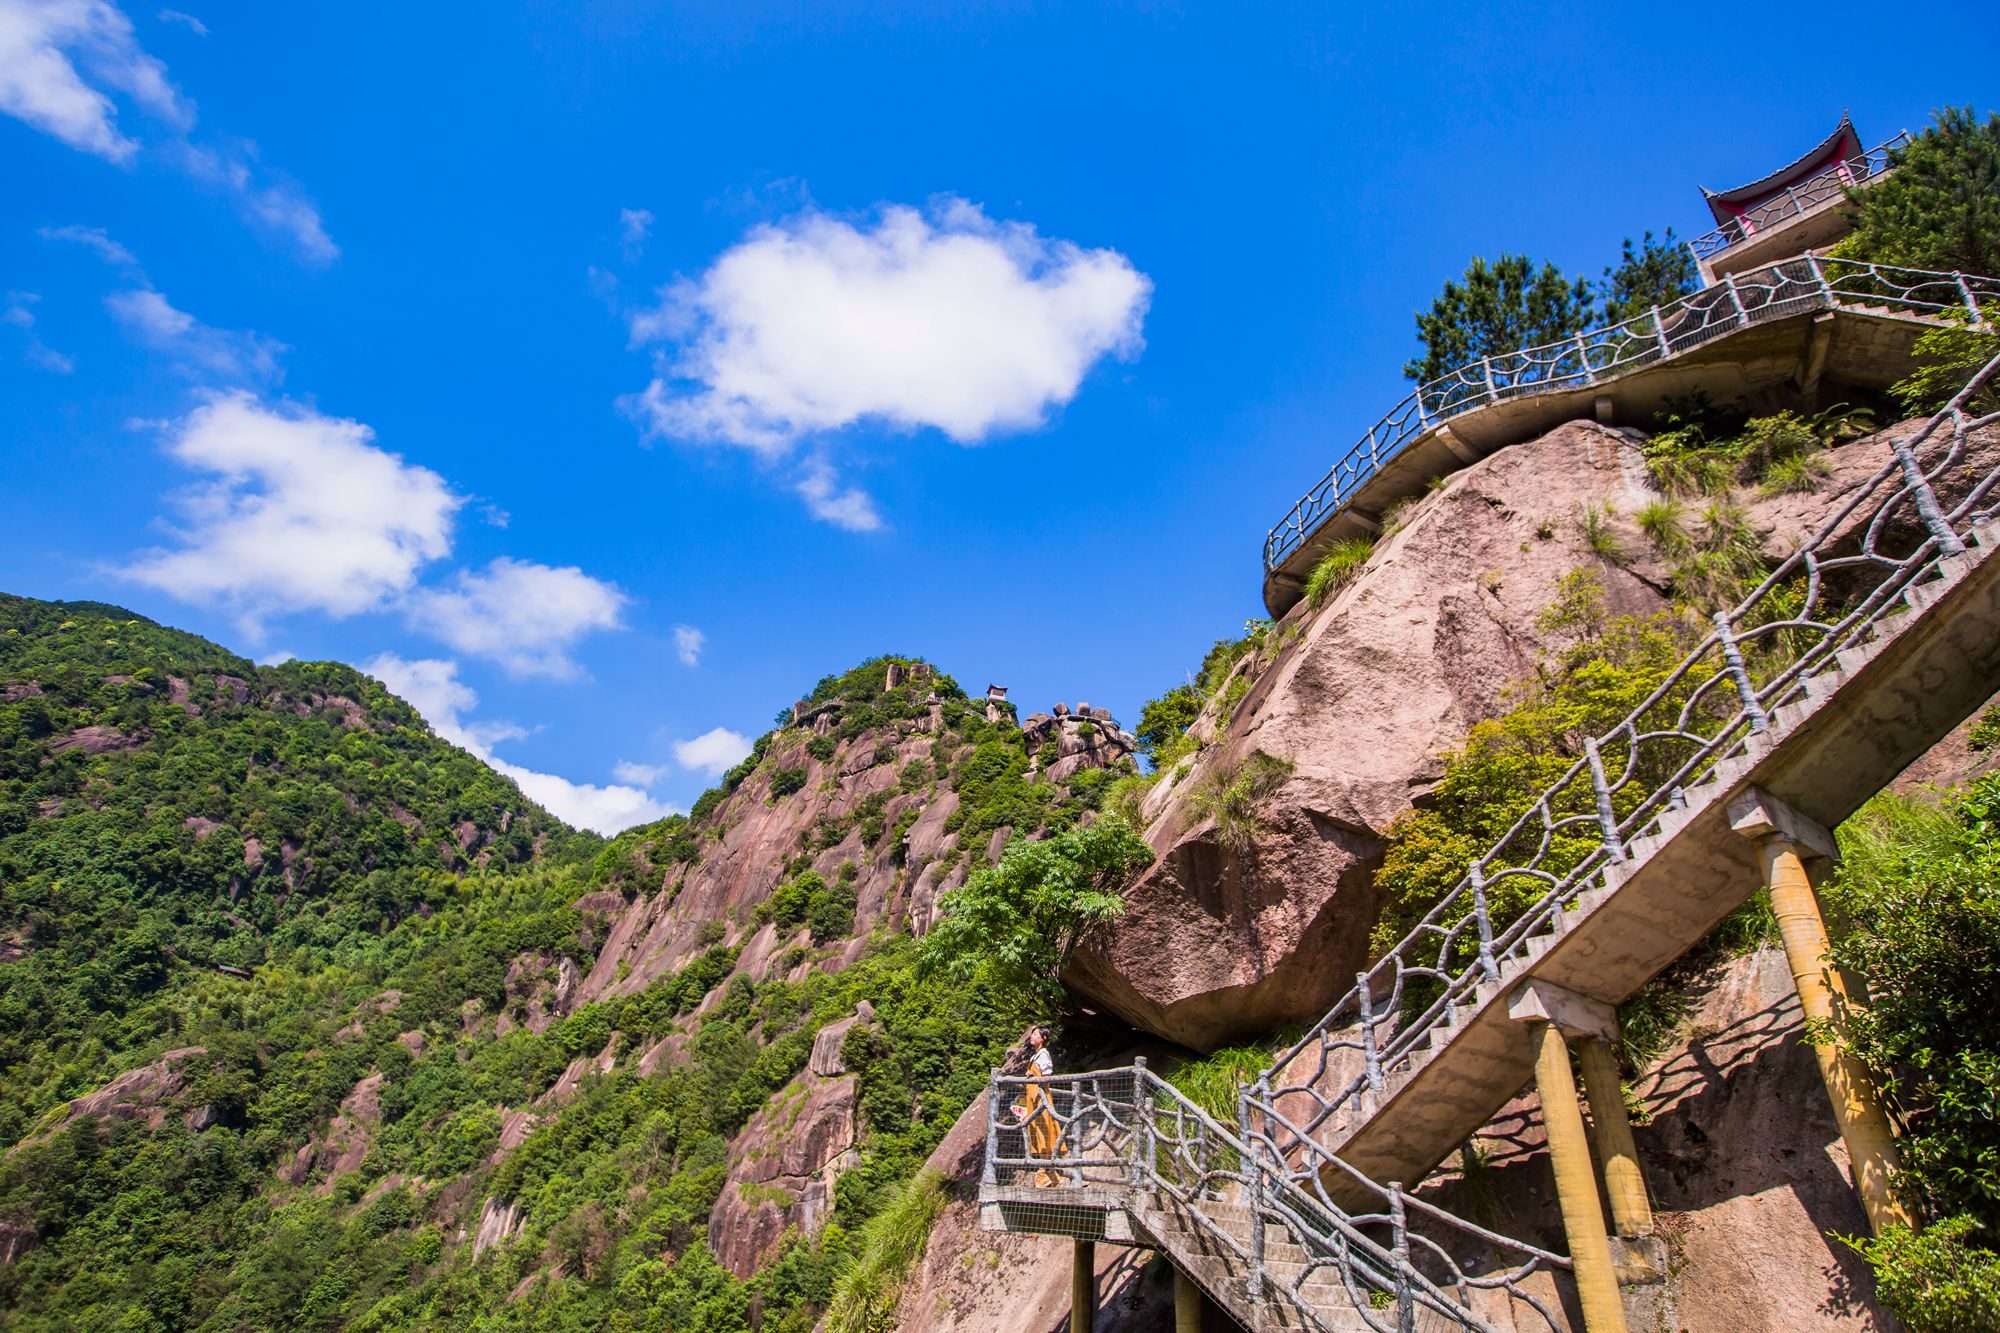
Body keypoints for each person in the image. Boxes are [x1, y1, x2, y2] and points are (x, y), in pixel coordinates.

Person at [1011, 1027, 1063, 1187]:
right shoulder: (1036, 1056)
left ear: (1044, 1038)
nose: (1031, 1036)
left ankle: (1044, 1173)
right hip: (1033, 1098)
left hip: (1040, 1098)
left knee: (1044, 1132)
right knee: (1038, 1132)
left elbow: (1047, 1077)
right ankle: (1049, 1174)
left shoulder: (1044, 1054)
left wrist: (1034, 1076)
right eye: (1031, 1034)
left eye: (1035, 1034)